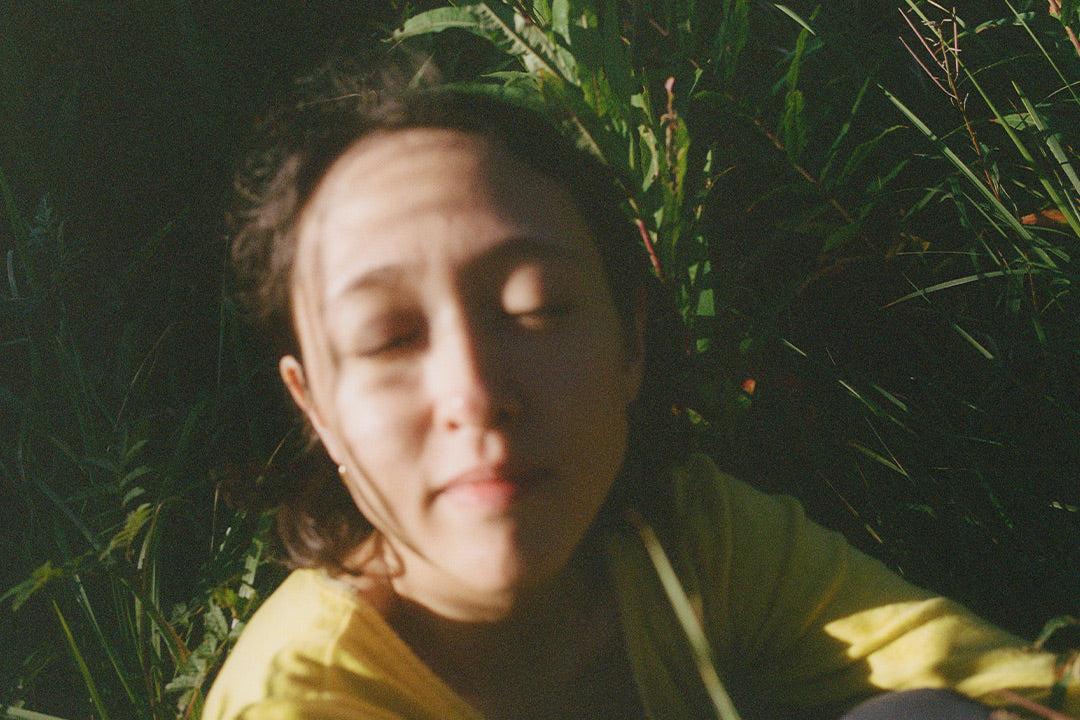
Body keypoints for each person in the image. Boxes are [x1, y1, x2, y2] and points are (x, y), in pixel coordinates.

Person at [203, 64, 1078, 720]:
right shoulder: (300, 701)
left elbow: (1026, 687)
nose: (475, 392)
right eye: (389, 338)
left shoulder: (693, 541)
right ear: (316, 408)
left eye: (536, 308)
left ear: (632, 339)